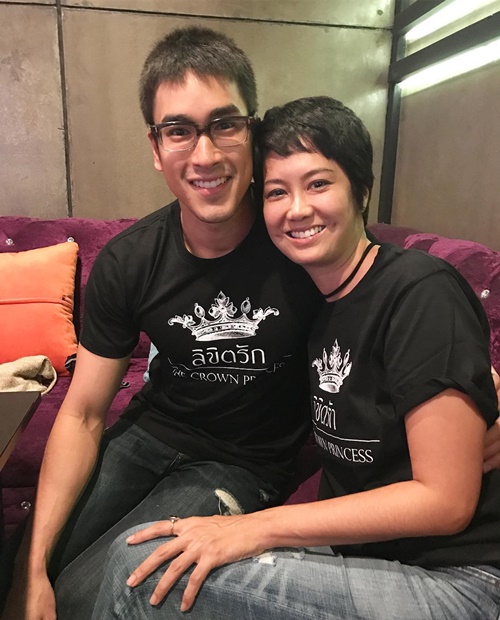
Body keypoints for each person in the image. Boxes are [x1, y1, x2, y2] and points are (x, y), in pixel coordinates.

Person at [90, 96, 500, 619]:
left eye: (319, 184)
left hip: (462, 579)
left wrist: (255, 527)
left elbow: (446, 502)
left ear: (361, 190)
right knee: (155, 556)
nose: (297, 209)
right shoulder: (316, 303)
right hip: (372, 558)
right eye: (277, 192)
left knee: (145, 573)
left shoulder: (418, 290)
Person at [2, 27, 322, 620]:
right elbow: (83, 412)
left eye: (225, 124)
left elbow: (388, 289)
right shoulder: (130, 260)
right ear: (155, 147)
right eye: (179, 130)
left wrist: (473, 382)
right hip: (150, 434)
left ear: (253, 133)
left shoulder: (299, 237)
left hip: (243, 463)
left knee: (94, 594)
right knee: (19, 575)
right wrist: (31, 566)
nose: (205, 155)